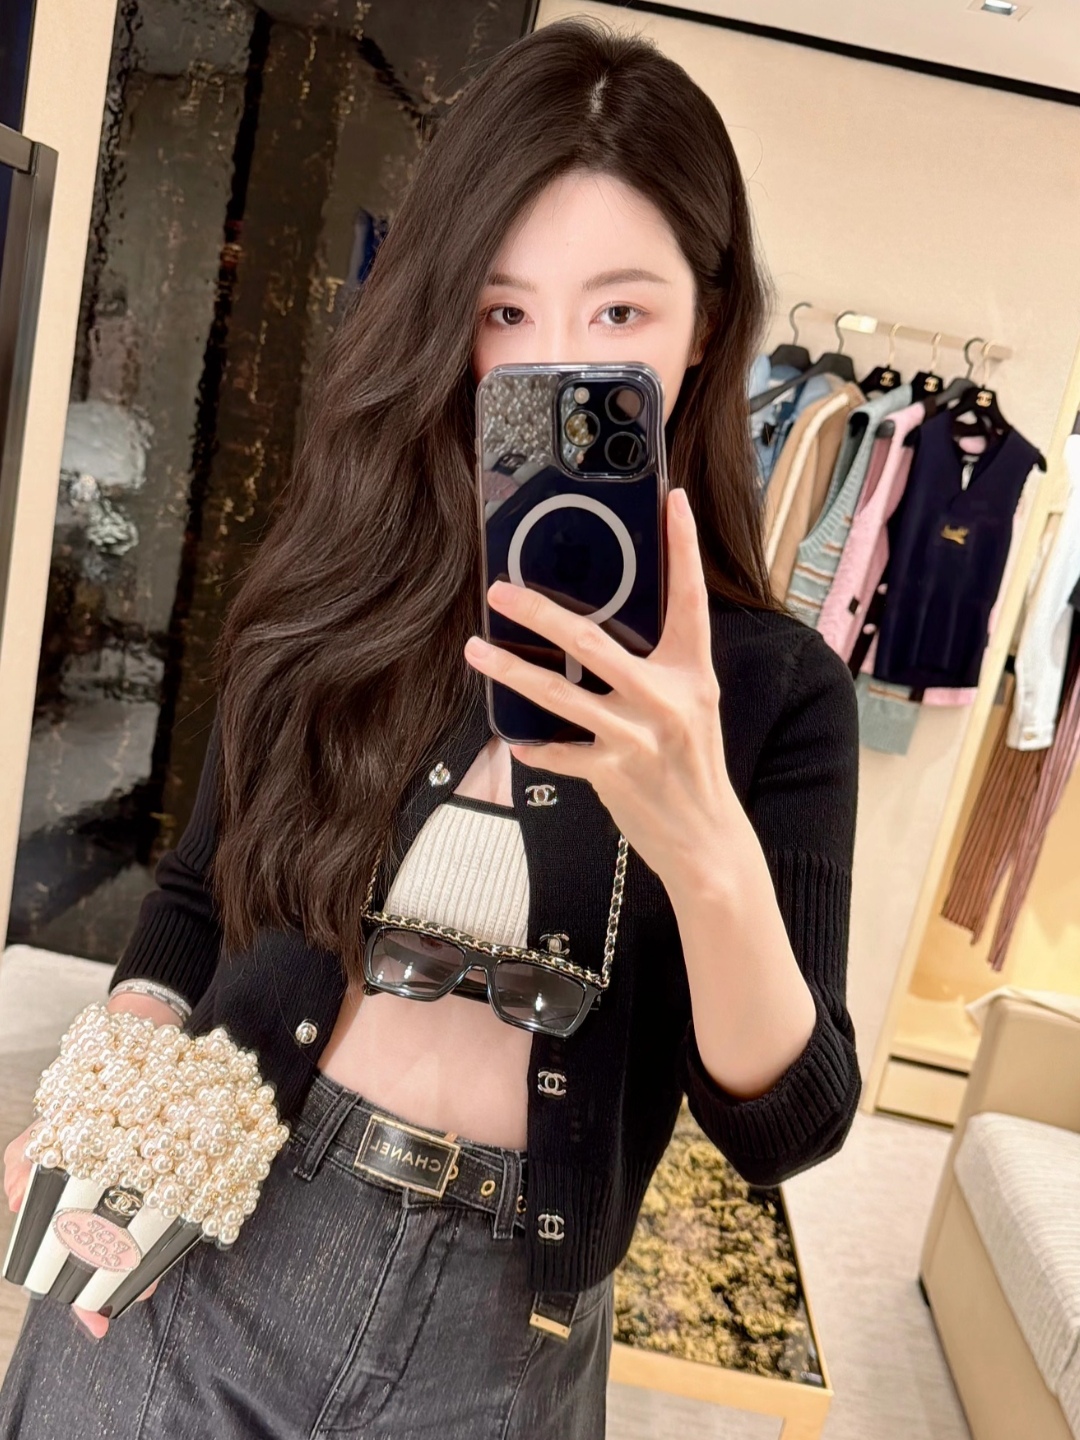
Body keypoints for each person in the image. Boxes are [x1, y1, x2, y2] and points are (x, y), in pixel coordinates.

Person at [0, 17, 860, 1438]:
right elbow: (195, 898)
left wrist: (706, 843)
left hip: (504, 1336)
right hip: (225, 1213)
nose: (552, 363)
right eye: (504, 313)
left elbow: (791, 1125)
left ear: (707, 325)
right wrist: (115, 1092)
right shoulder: (339, 580)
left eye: (620, 315)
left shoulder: (775, 690)